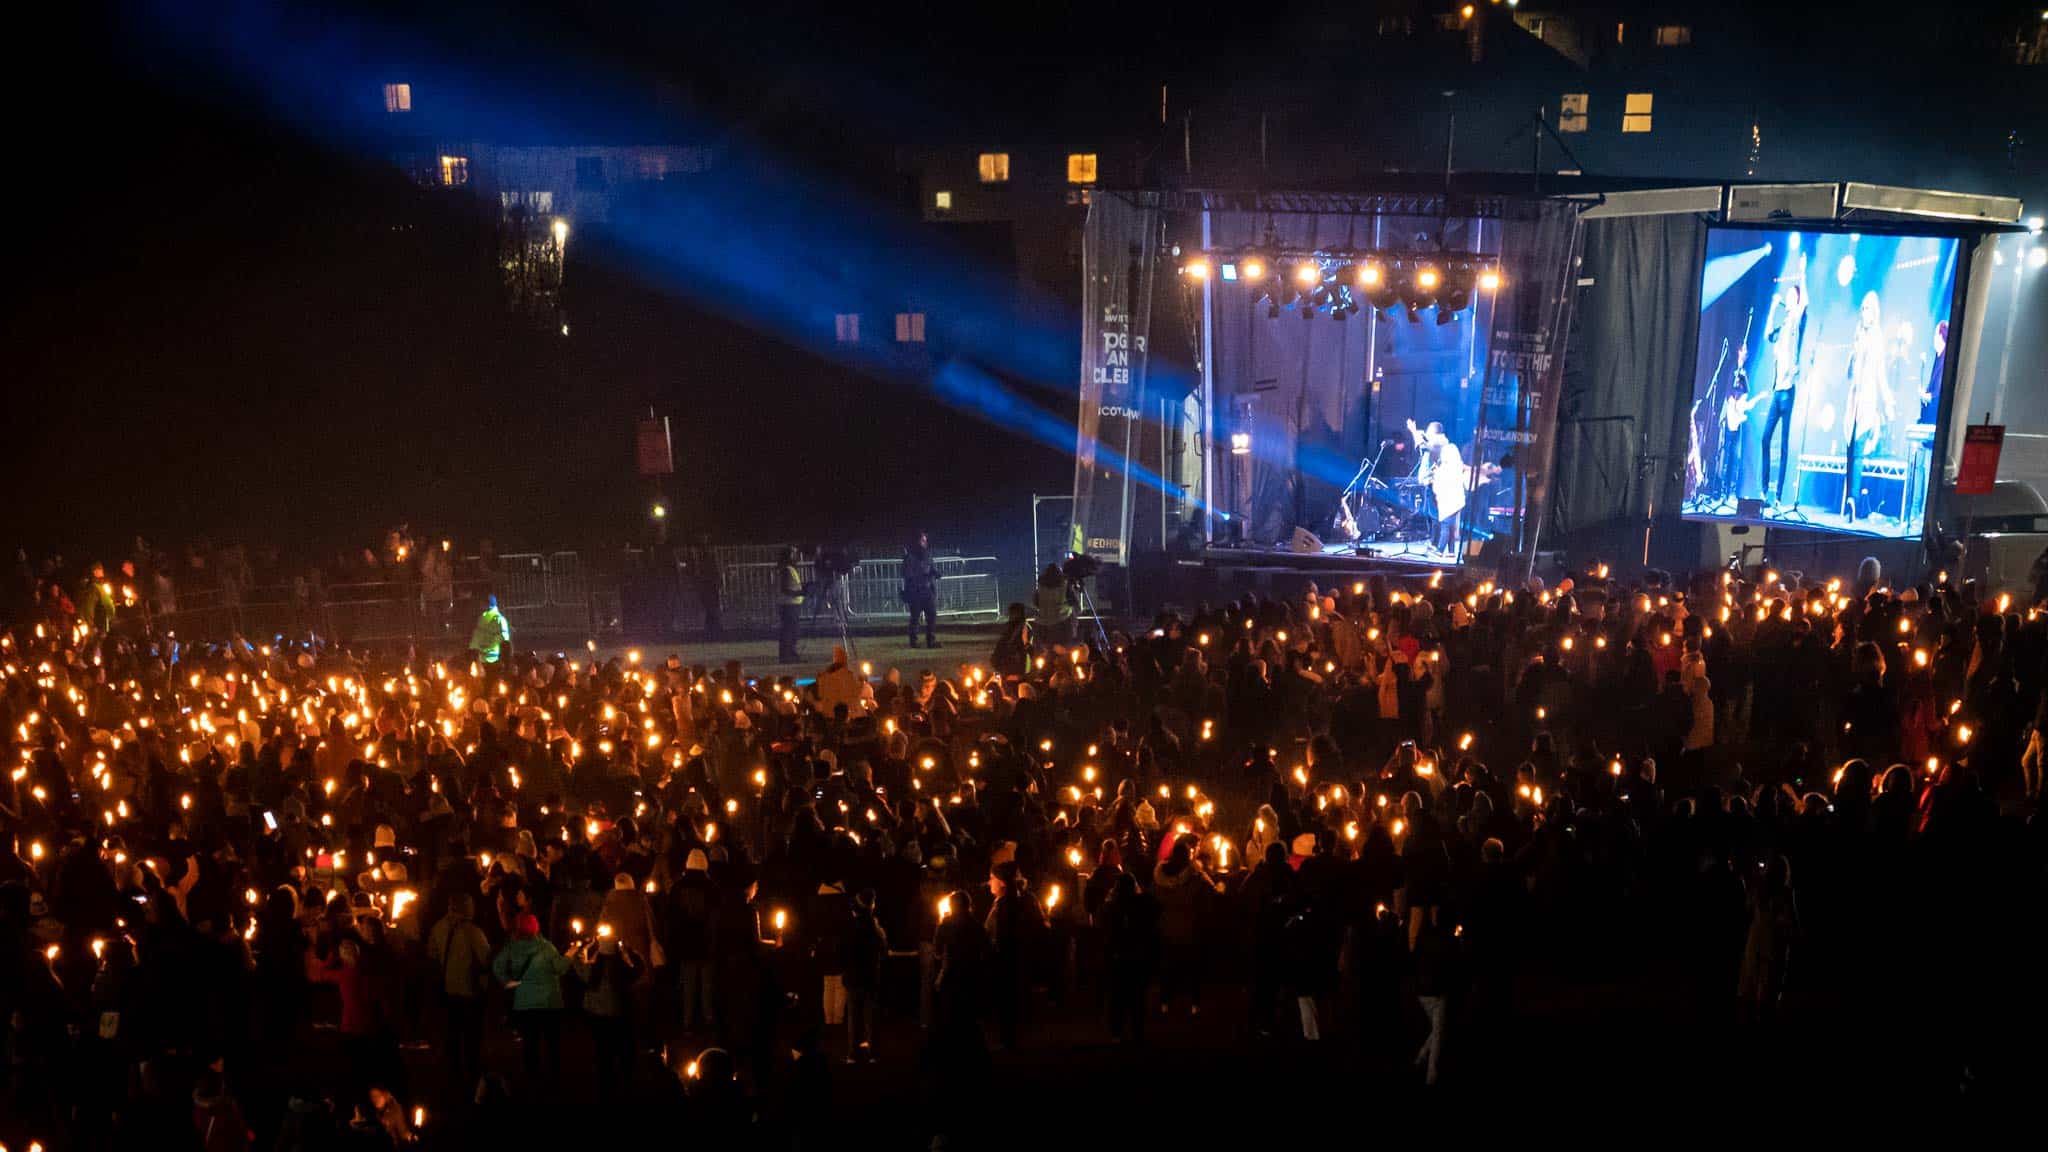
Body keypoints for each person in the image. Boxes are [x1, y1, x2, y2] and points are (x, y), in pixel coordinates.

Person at [425, 893, 492, 1098]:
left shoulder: (438, 927)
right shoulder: (473, 932)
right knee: (471, 1036)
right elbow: (486, 958)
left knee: (452, 1034)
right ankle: (471, 1077)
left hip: (447, 990)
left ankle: (452, 1075)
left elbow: (432, 954)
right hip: (469, 991)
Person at [492, 911, 571, 1086]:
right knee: (552, 1043)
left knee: (530, 1043)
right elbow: (560, 968)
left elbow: (497, 965)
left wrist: (507, 982)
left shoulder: (512, 947)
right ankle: (554, 1077)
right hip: (550, 1003)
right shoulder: (546, 947)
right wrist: (570, 955)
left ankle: (532, 1077)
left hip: (525, 1003)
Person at [1761, 268, 1808, 506]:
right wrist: (1772, 307)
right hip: (1777, 391)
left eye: (1792, 296)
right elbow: (1767, 333)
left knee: (1784, 442)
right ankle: (1763, 491)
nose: (1787, 299)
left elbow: (1805, 302)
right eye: (1787, 296)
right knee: (1765, 439)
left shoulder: (1797, 323)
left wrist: (1803, 273)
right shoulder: (1781, 327)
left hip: (1788, 390)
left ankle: (1778, 495)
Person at [902, 532, 940, 648]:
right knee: (915, 618)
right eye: (922, 540)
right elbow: (907, 575)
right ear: (917, 541)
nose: (924, 543)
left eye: (925, 541)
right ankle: (913, 642)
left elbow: (932, 569)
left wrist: (935, 574)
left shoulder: (928, 555)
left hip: (927, 590)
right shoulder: (910, 557)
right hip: (916, 591)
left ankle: (931, 641)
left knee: (931, 616)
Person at [1033, 566, 1076, 647]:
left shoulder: (1041, 587)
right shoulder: (1065, 585)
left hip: (1042, 623)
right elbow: (1073, 602)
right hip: (1063, 623)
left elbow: (1036, 602)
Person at [775, 546, 805, 662]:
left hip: (791, 604)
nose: (796, 556)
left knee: (792, 631)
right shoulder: (787, 569)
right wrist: (799, 593)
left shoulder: (789, 569)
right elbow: (785, 589)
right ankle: (786, 656)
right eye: (794, 553)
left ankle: (790, 654)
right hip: (788, 605)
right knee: (788, 631)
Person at [470, 593, 511, 664]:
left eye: (482, 603)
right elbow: (476, 638)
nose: (480, 606)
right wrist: (471, 652)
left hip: (493, 660)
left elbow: (504, 642)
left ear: (487, 604)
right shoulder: (482, 618)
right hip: (480, 659)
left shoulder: (499, 620)